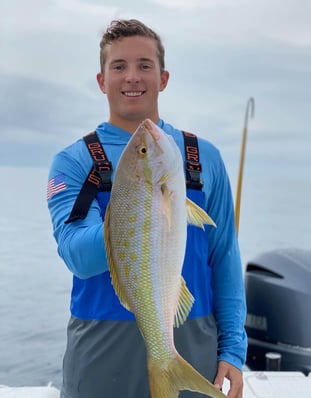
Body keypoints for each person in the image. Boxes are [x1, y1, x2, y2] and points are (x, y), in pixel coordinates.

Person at [47, 19, 247, 398]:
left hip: (194, 345)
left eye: (144, 65)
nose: (132, 77)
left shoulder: (203, 158)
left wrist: (233, 349)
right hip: (101, 354)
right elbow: (78, 257)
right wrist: (133, 213)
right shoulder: (74, 161)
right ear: (102, 80)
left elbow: (225, 258)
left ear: (164, 77)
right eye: (118, 66)